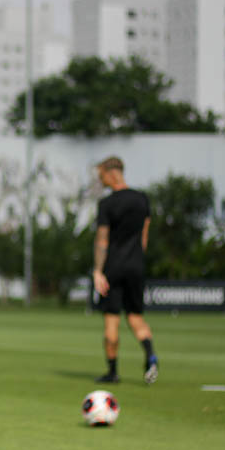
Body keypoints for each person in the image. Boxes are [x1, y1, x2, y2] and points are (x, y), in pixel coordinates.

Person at [92, 156, 159, 384]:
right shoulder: (142, 199)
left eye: (101, 176)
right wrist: (137, 260)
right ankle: (150, 357)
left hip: (114, 268)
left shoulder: (107, 204)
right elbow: (144, 238)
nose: (101, 181)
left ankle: (112, 372)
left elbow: (102, 240)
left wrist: (98, 272)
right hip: (136, 266)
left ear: (112, 173)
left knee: (112, 321)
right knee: (136, 318)